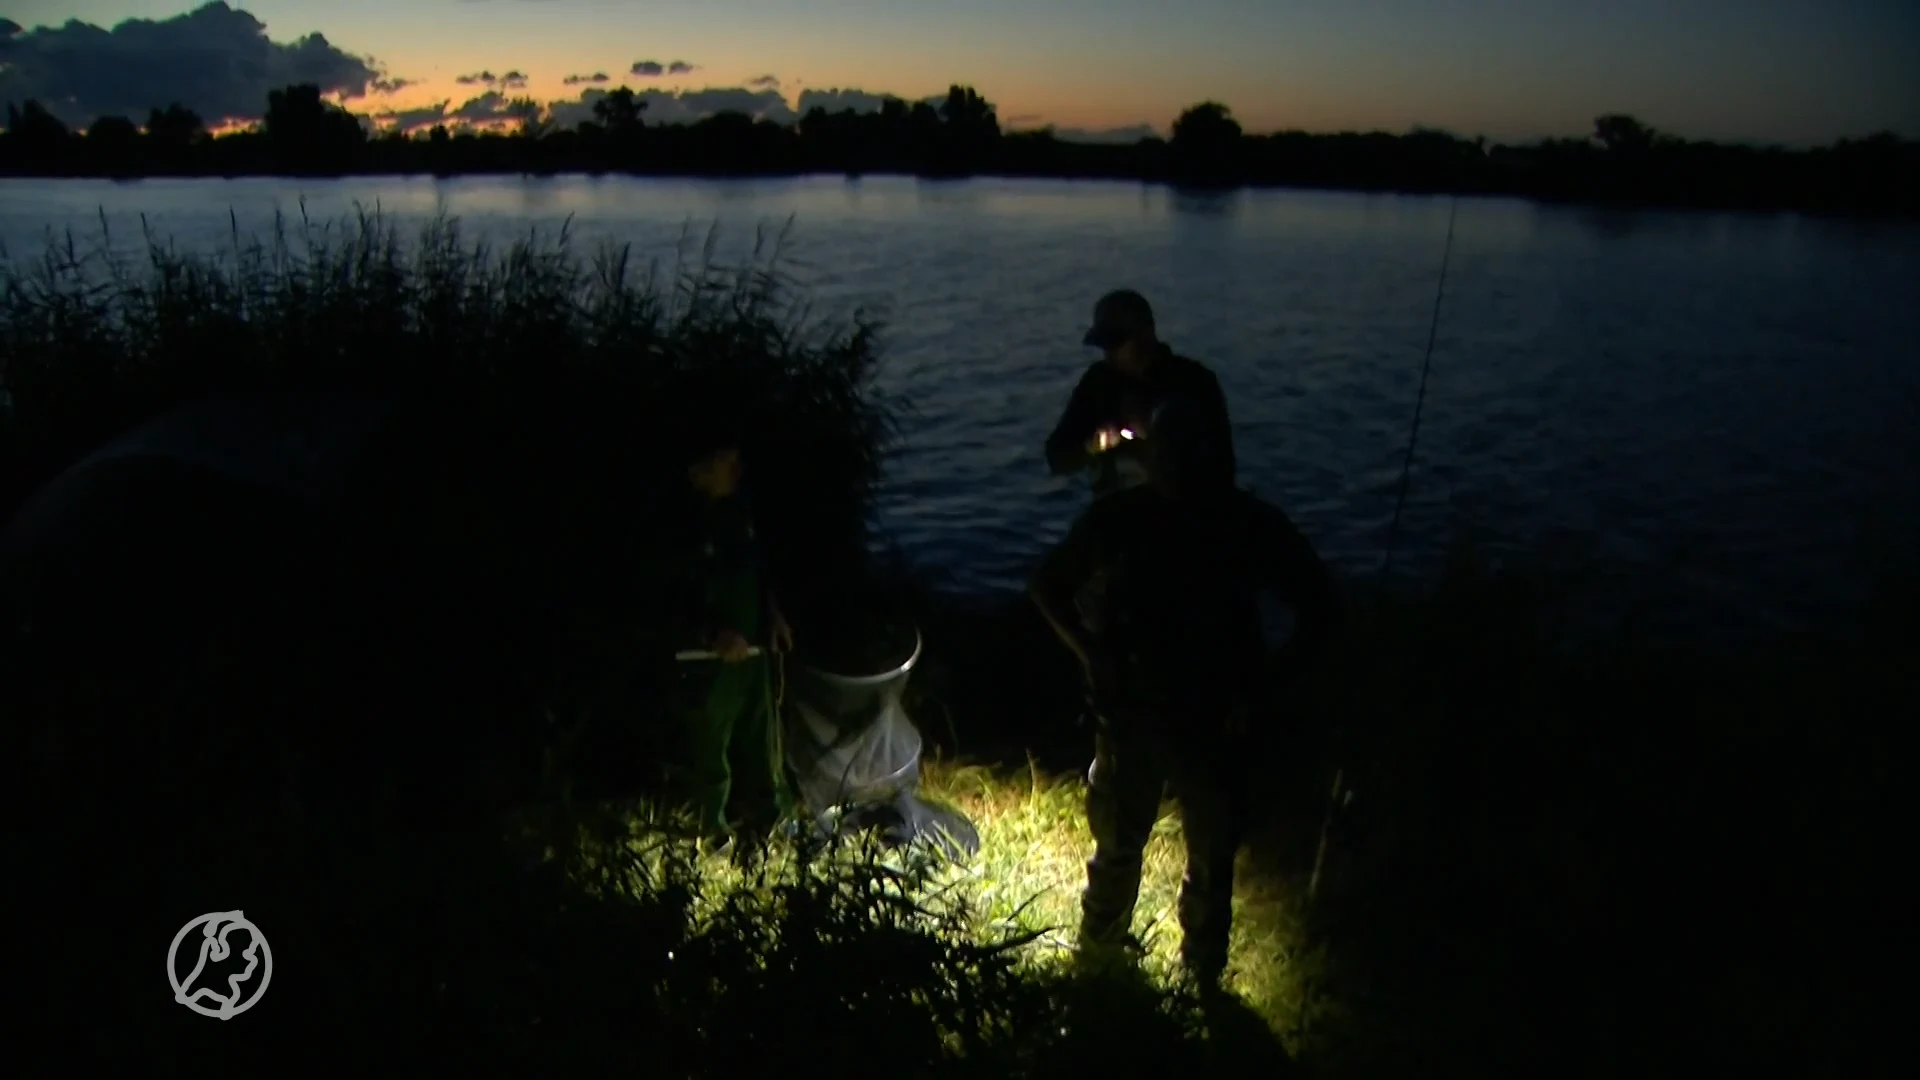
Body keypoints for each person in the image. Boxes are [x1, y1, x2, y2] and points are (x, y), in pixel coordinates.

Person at [1028, 403, 1339, 986]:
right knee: (1128, 846)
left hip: (1214, 718)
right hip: (1139, 713)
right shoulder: (1129, 519)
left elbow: (1319, 607)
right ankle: (1108, 961)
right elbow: (1047, 586)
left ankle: (1194, 975)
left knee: (1208, 854)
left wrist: (1265, 687)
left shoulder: (1238, 523)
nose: (1175, 464)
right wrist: (1094, 655)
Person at [671, 417, 798, 853]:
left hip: (755, 651)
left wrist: (775, 616)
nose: (735, 469)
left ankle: (774, 823)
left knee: (765, 741)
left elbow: (759, 571)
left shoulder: (741, 512)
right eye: (725, 463)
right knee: (710, 750)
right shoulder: (683, 527)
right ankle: (711, 833)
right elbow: (667, 599)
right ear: (699, 472)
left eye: (735, 460)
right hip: (707, 664)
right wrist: (712, 634)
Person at [1044, 289, 1236, 501]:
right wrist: (1096, 444)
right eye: (1105, 345)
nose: (1109, 354)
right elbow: (1057, 457)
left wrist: (1156, 438)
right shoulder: (1097, 383)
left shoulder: (1194, 382)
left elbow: (1221, 468)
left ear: (1146, 335)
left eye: (1116, 343)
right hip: (1115, 520)